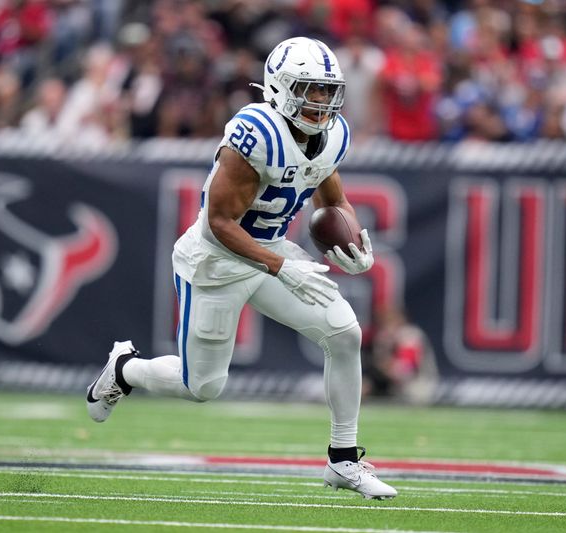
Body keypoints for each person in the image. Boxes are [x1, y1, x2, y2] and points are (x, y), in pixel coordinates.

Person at [85, 36, 397, 500]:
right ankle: (125, 369)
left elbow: (331, 195)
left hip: (270, 250)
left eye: (327, 91)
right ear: (280, 87)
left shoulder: (331, 135)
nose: (321, 102)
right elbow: (216, 224)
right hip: (216, 260)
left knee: (344, 334)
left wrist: (353, 241)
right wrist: (280, 267)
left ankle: (343, 460)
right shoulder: (255, 133)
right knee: (202, 387)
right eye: (309, 90)